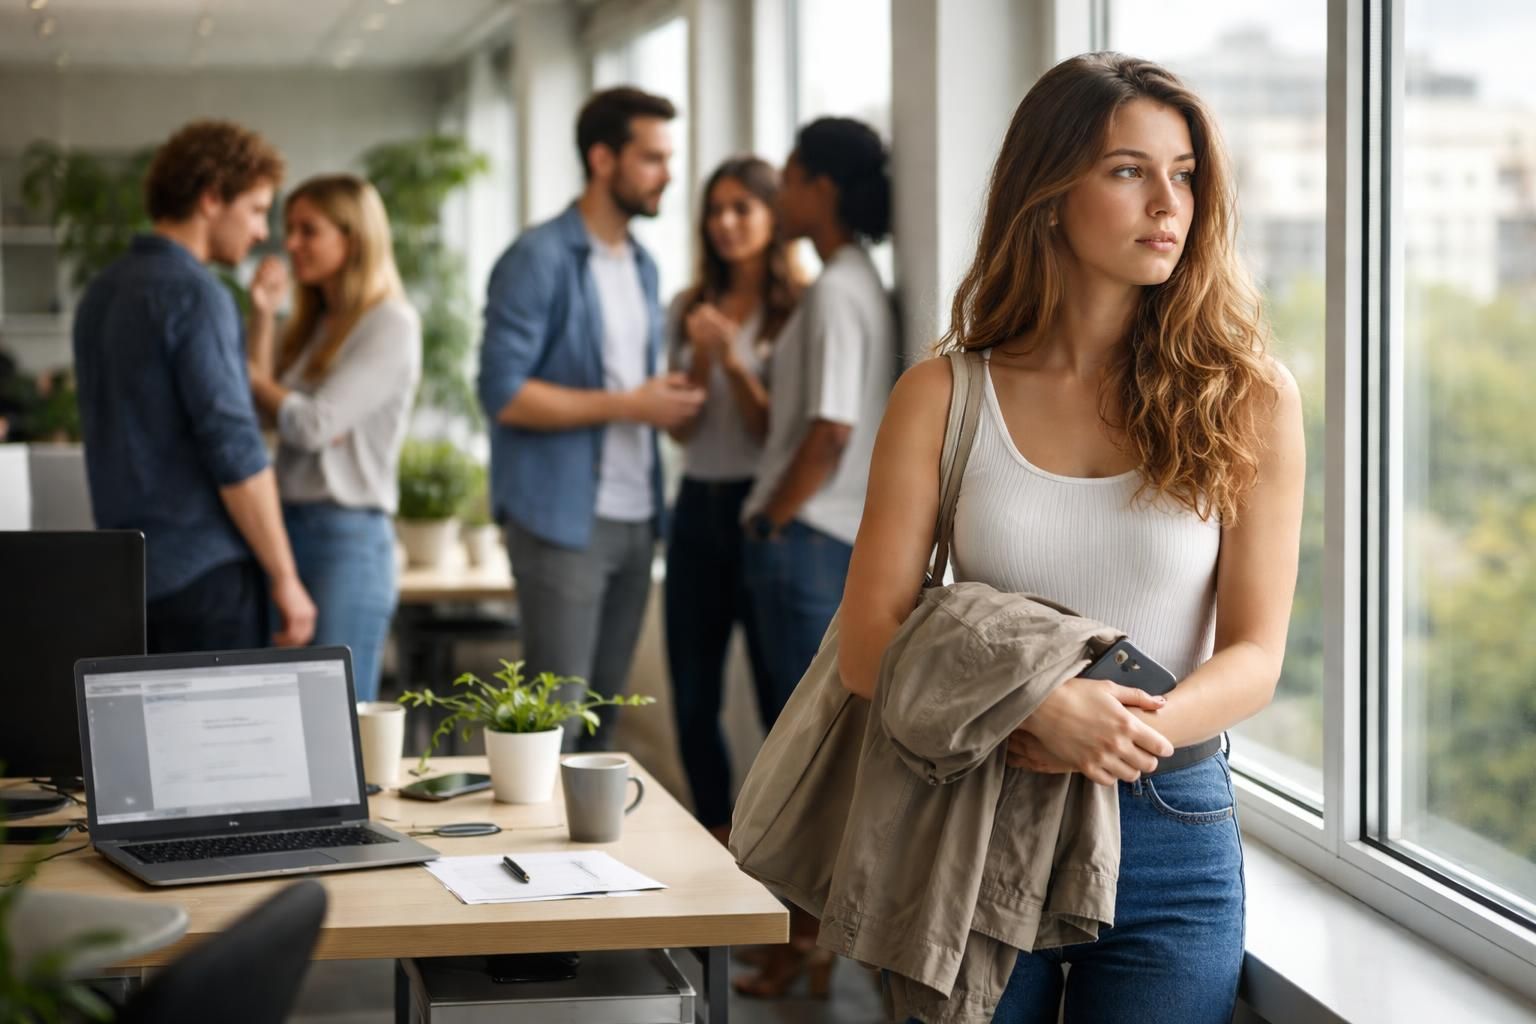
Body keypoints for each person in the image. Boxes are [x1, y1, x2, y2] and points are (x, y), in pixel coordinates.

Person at [838, 54, 1305, 1023]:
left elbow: (1256, 656)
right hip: (978, 805)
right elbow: (866, 645)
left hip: (1170, 828)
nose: (1168, 204)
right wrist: (1037, 709)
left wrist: (1120, 731)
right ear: (1048, 196)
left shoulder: (1248, 396)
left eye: (1184, 175)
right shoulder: (943, 395)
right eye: (1129, 171)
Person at [477, 86, 705, 752]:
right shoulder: (538, 258)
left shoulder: (644, 266)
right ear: (603, 159)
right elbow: (502, 393)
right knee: (555, 724)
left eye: (669, 158)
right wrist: (631, 404)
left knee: (604, 721)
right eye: (652, 158)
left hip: (637, 518)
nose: (667, 174)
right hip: (560, 520)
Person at [733, 117, 896, 1000]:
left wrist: (772, 519)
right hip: (824, 540)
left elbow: (831, 429)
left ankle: (801, 941)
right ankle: (799, 940)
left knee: (797, 757)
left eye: (790, 177)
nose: (780, 194)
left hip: (807, 542)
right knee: (804, 751)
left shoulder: (837, 289)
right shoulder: (852, 280)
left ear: (822, 187)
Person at [74, 120, 317, 654]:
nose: (261, 231)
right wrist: (285, 576)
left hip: (128, 579)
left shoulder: (101, 293)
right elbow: (234, 448)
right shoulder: (197, 295)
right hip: (205, 577)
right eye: (255, 209)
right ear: (211, 198)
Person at [663, 156, 805, 844]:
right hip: (695, 505)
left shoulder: (798, 308)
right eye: (715, 210)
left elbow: (773, 429)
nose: (725, 223)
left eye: (741, 208)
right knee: (692, 690)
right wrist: (699, 354)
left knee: (779, 689)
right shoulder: (689, 306)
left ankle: (778, 846)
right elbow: (680, 427)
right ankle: (714, 832)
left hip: (763, 510)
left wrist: (732, 361)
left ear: (773, 216)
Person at [245, 175, 421, 702]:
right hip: (286, 529)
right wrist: (262, 317)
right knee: (283, 713)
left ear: (353, 237)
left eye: (309, 230)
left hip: (346, 537)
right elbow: (264, 416)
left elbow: (311, 425)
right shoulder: (315, 324)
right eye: (290, 229)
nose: (291, 243)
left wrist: (254, 381)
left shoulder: (390, 323)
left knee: (335, 715)